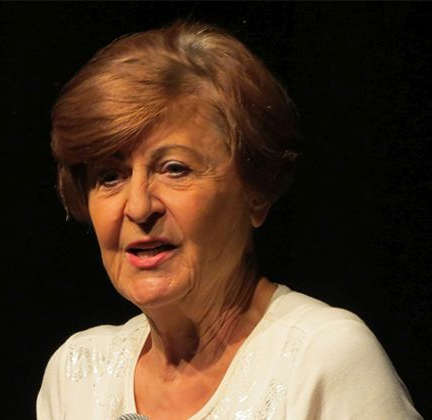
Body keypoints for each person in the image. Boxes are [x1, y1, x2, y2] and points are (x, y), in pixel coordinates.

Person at [37, 20, 421, 419]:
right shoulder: (78, 374)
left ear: (256, 193)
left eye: (174, 169)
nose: (138, 207)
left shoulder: (322, 357)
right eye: (109, 177)